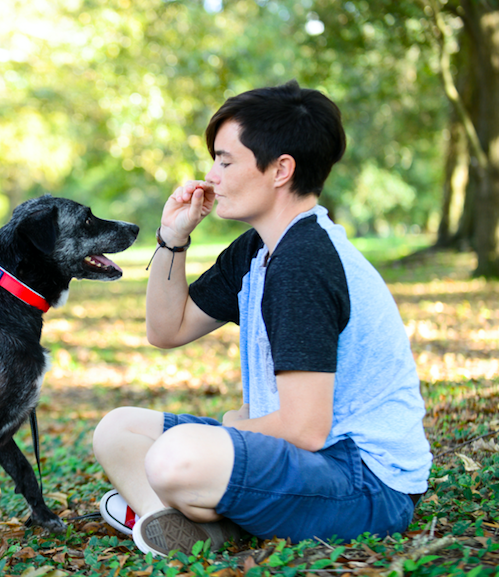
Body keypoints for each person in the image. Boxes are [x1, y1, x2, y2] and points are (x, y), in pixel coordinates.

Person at [92, 80, 432, 557]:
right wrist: (173, 238)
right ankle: (199, 527)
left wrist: (231, 427)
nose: (211, 177)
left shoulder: (304, 259)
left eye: (225, 161)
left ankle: (191, 515)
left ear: (280, 170)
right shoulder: (257, 250)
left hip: (368, 483)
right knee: (117, 430)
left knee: (177, 457)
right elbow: (166, 330)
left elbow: (306, 428)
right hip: (308, 457)